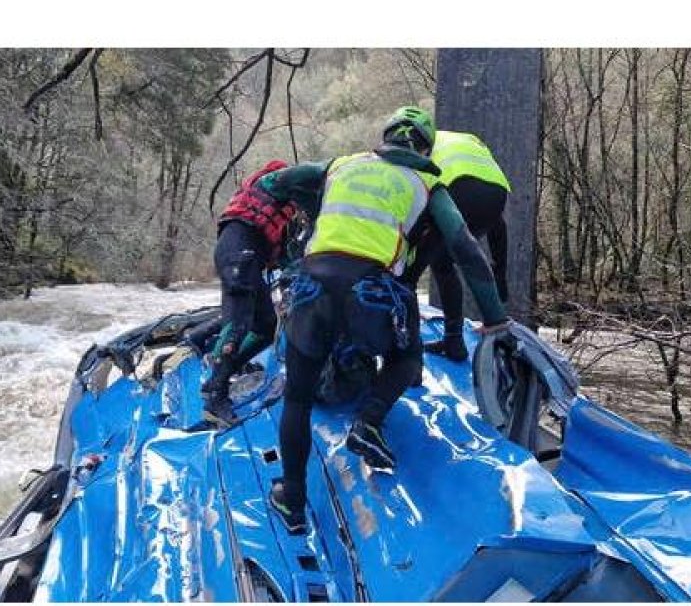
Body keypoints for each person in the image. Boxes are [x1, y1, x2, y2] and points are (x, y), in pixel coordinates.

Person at [254, 106, 512, 534]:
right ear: (426, 146)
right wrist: (497, 319)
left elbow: (275, 182)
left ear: (386, 135)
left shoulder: (341, 165)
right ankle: (369, 421)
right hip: (369, 294)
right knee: (406, 361)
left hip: (312, 287)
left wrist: (306, 204)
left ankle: (293, 501)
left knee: (297, 397)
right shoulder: (429, 180)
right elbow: (466, 250)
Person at [201, 159, 300, 427]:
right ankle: (215, 396)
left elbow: (284, 254)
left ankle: (220, 376)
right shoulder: (278, 183)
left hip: (243, 254)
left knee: (267, 326)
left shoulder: (276, 207)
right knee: (237, 325)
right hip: (239, 253)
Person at [401, 130, 511, 361]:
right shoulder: (468, 140)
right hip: (497, 195)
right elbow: (498, 226)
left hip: (456, 189)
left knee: (422, 269)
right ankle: (457, 341)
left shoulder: (416, 147)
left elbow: (416, 212)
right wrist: (500, 280)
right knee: (444, 259)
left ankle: (412, 356)